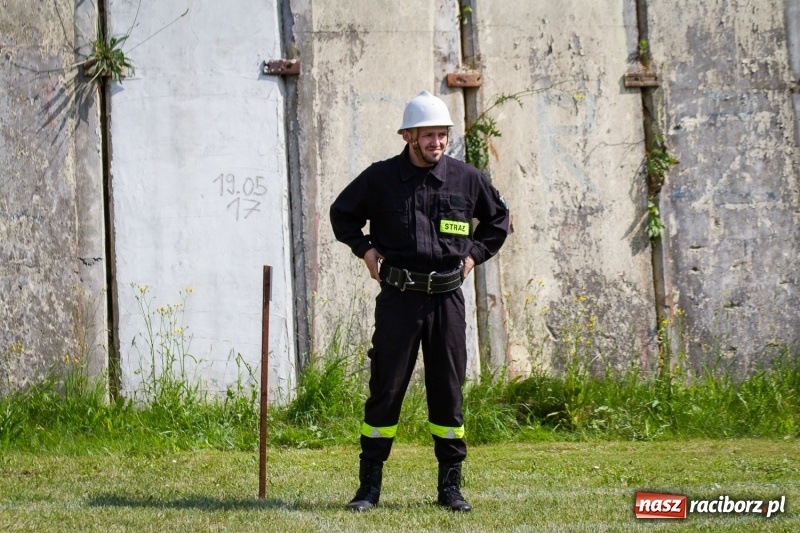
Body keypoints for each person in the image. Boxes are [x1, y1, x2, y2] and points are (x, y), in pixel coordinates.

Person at [329, 90, 510, 512]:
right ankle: (368, 488)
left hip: (447, 300)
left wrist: (472, 257)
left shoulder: (467, 179)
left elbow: (498, 220)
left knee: (447, 391)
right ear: (409, 135)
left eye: (442, 135)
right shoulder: (380, 178)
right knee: (385, 390)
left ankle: (450, 488)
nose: (437, 144)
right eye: (429, 136)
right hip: (399, 300)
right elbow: (343, 213)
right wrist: (366, 250)